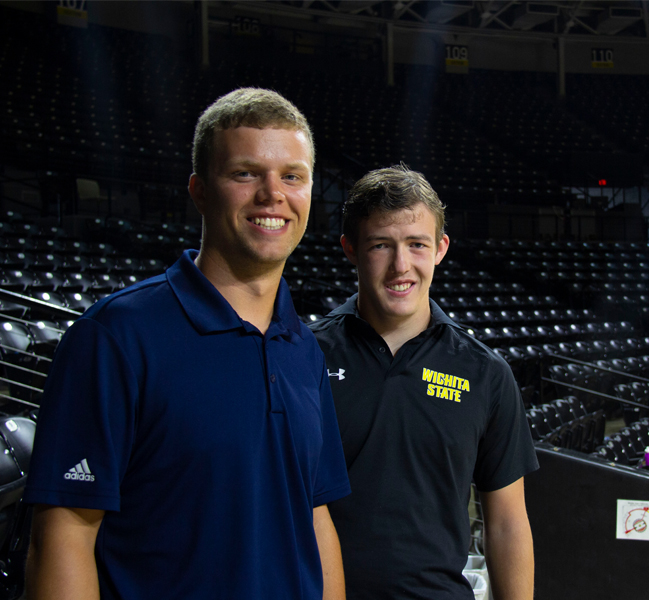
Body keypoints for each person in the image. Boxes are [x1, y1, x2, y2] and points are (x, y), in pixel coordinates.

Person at [23, 88, 350, 600]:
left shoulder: (303, 348)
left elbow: (314, 514)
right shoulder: (116, 335)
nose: (273, 194)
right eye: (245, 173)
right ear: (199, 190)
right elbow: (64, 535)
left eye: (293, 176)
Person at [310, 165, 538, 599]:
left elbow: (508, 522)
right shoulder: (305, 357)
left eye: (417, 245)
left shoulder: (485, 373)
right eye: (381, 245)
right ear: (350, 249)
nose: (401, 265)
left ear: (440, 248)